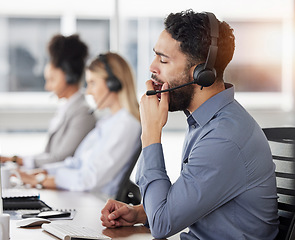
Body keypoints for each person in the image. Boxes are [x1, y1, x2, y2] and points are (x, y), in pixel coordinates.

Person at [100, 10, 279, 239]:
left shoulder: (223, 137)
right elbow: (191, 199)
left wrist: (150, 133)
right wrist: (139, 213)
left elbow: (162, 225)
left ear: (200, 74)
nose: (152, 67)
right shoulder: (207, 122)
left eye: (163, 60)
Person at [18, 52, 141, 197]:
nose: (88, 91)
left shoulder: (127, 125)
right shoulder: (108, 121)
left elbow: (90, 180)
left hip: (96, 203)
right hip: (82, 196)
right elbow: (76, 163)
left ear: (113, 84)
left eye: (92, 83)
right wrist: (44, 172)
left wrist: (43, 180)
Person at [1, 34, 96, 169]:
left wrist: (15, 160)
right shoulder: (67, 108)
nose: (47, 87)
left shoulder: (83, 113)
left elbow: (60, 158)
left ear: (69, 75)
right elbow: (48, 154)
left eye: (52, 80)